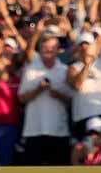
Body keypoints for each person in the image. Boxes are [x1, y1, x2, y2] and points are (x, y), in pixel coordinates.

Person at [18, 34, 72, 164]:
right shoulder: (30, 70)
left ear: (58, 49)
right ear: (40, 50)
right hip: (34, 131)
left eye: (52, 48)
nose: (49, 51)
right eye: (45, 48)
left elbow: (71, 101)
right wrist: (38, 90)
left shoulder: (65, 70)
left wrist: (57, 94)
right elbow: (21, 99)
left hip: (59, 132)